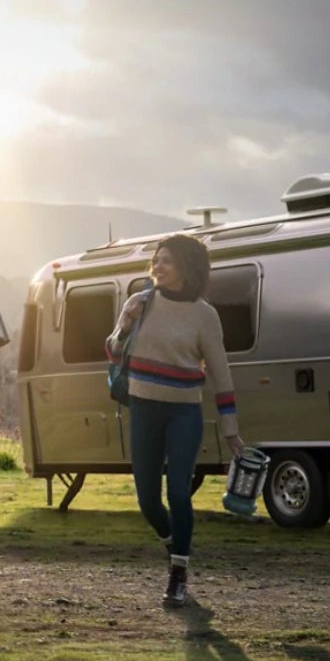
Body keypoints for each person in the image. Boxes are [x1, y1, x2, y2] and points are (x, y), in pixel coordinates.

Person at [108, 233, 245, 608]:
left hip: (183, 412)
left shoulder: (205, 315)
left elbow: (221, 373)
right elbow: (113, 350)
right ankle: (176, 546)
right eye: (155, 260)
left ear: (186, 266)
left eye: (166, 260)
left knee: (179, 493)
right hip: (143, 409)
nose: (157, 266)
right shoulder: (141, 302)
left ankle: (179, 573)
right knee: (148, 501)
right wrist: (124, 322)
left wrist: (231, 428)